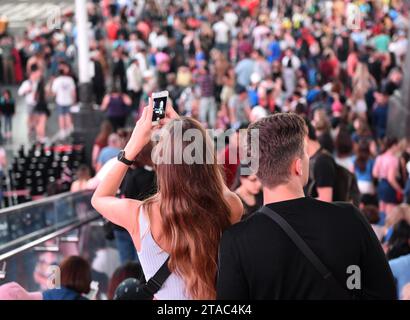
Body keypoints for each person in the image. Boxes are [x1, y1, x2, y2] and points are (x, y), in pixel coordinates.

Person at [217, 113, 396, 300]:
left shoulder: (235, 242)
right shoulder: (349, 218)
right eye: (305, 153)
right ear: (298, 166)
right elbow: (385, 292)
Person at [92, 99, 243, 299]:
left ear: (161, 165)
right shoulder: (231, 206)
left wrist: (134, 144)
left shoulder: (140, 216)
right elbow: (218, 188)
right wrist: (186, 135)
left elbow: (99, 198)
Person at [373, 137, 403, 217]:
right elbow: (391, 179)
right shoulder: (394, 159)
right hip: (389, 187)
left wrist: (383, 174)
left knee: (381, 212)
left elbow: (375, 174)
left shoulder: (380, 157)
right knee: (390, 215)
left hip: (381, 185)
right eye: (397, 146)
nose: (398, 148)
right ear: (393, 146)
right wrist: (400, 189)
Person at [51, 67, 76, 139]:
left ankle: (63, 131)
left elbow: (54, 93)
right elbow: (73, 91)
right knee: (68, 115)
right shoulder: (70, 79)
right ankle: (69, 129)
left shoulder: (57, 80)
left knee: (61, 116)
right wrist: (74, 100)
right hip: (69, 100)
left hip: (60, 101)